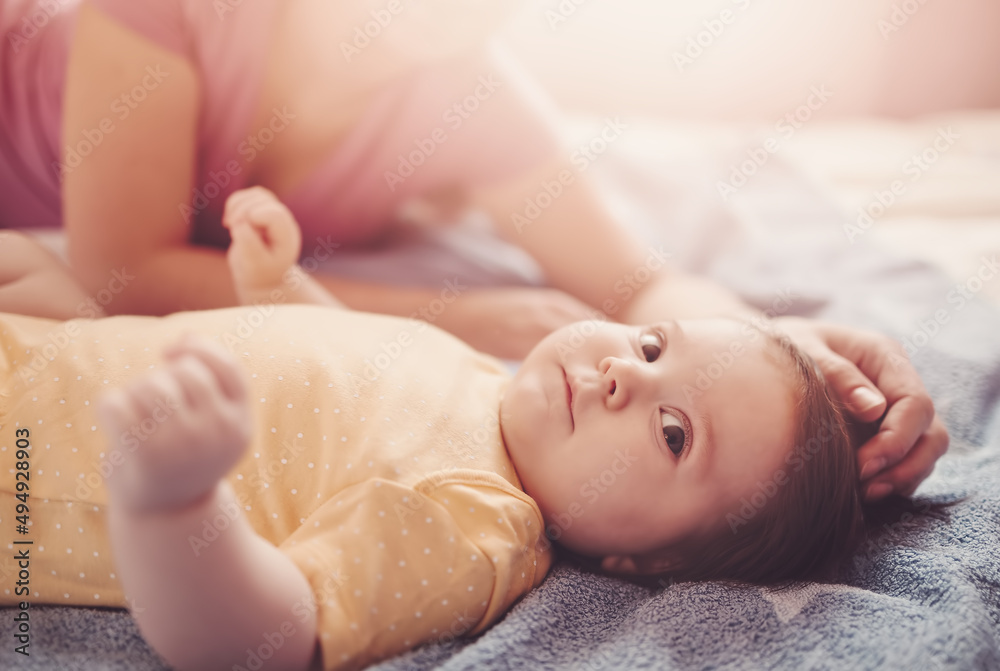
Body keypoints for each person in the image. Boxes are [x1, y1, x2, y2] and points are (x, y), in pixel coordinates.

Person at [0, 0, 946, 506]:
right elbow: (128, 270)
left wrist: (786, 349)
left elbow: (642, 281)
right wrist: (471, 315)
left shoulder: (464, 90)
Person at [1, 212, 869, 671]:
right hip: (56, 354)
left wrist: (176, 501)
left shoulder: (473, 522)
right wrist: (281, 290)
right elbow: (362, 375)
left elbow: (267, 635)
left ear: (643, 565)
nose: (624, 375)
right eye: (651, 345)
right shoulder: (492, 384)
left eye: (674, 432)